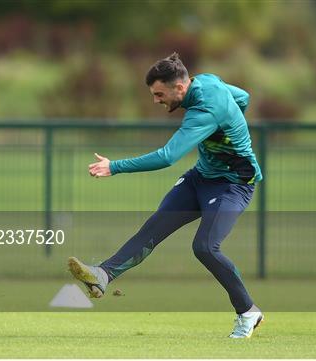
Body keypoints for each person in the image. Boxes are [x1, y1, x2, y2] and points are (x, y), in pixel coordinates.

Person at [68, 52, 264, 338]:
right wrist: (229, 124)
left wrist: (115, 166)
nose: (156, 100)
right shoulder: (207, 81)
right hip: (201, 178)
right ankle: (103, 275)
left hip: (233, 185)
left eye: (159, 94)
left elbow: (167, 156)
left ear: (179, 88)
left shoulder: (204, 110)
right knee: (154, 227)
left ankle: (248, 312)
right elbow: (243, 97)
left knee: (206, 247)